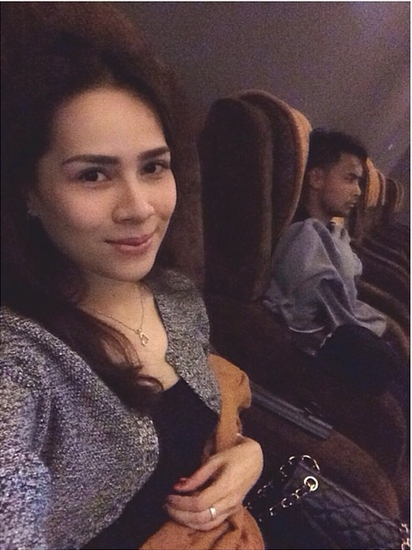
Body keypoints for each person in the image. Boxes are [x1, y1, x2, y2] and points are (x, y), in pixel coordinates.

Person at [0, 4, 264, 550]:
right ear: (29, 192)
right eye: (93, 174)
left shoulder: (176, 295)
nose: (140, 207)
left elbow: (208, 408)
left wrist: (247, 456)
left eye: (153, 166)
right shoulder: (19, 361)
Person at [263, 129, 405, 394]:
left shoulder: (333, 234)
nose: (358, 192)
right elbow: (303, 320)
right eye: (350, 179)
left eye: (360, 182)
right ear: (316, 178)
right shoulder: (303, 238)